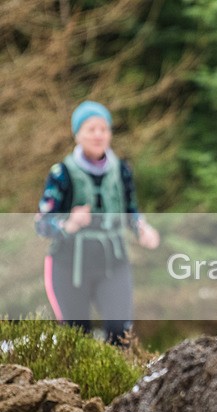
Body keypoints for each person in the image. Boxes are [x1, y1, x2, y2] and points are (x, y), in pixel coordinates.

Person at [35, 100, 160, 344]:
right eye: (91, 129)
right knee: (76, 339)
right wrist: (68, 223)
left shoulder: (122, 170)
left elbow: (130, 209)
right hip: (68, 267)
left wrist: (141, 228)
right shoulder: (62, 174)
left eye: (103, 129)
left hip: (113, 264)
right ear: (77, 134)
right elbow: (41, 224)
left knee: (120, 334)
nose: (98, 135)